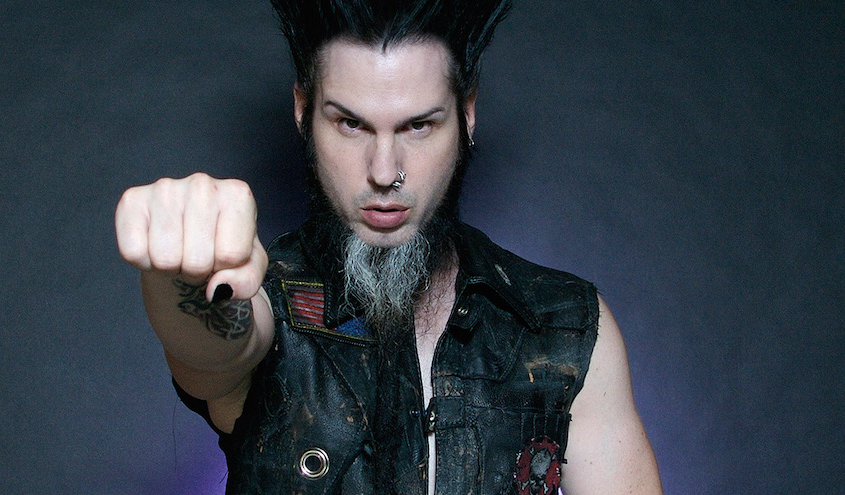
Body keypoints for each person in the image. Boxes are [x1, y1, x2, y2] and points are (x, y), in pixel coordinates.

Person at [115, 1, 662, 493]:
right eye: (350, 124)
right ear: (303, 112)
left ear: (466, 115)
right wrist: (184, 273)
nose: (384, 172)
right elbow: (215, 349)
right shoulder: (269, 299)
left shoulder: (563, 325)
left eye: (418, 126)